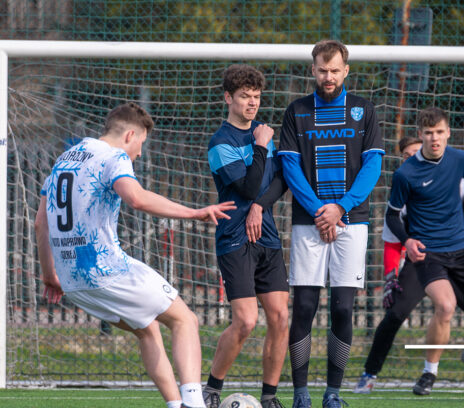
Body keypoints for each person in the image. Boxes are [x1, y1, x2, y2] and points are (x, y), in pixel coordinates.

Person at [35, 102, 235, 408]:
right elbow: (136, 198)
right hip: (106, 270)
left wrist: (50, 275)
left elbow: (41, 222)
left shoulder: (64, 158)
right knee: (185, 320)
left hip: (73, 282)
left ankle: (176, 405)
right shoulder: (113, 157)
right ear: (130, 135)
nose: (139, 153)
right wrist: (195, 212)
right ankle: (196, 404)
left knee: (148, 330)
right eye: (141, 143)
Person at [353, 136, 464, 394]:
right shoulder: (404, 186)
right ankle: (369, 373)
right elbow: (392, 243)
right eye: (406, 155)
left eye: (416, 152)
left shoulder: (454, 178)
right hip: (422, 262)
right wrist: (391, 278)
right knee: (396, 314)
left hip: (456, 258)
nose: (412, 158)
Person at [277, 39, 384, 408]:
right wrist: (320, 211)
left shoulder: (363, 110)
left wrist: (340, 208)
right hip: (309, 223)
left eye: (335, 70)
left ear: (346, 71)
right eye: (322, 70)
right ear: (313, 69)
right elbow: (290, 167)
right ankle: (301, 393)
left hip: (351, 223)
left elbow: (373, 166)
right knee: (305, 306)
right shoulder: (296, 111)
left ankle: (333, 392)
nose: (328, 76)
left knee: (342, 308)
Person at [202, 64, 289, 408]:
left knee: (280, 318)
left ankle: (269, 397)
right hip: (235, 239)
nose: (252, 103)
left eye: (256, 97)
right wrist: (261, 146)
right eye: (244, 96)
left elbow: (281, 181)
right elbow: (250, 187)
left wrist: (259, 208)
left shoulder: (264, 135)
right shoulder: (221, 142)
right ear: (228, 98)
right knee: (246, 321)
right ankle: (211, 389)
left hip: (267, 236)